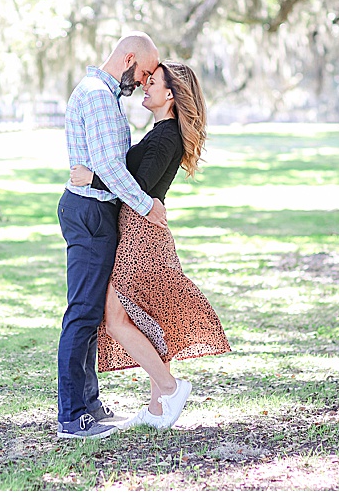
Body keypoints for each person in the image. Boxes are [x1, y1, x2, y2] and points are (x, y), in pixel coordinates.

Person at [69, 61, 231, 430]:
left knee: (114, 317)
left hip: (143, 236)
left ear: (170, 95)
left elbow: (135, 188)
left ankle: (170, 387)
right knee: (148, 318)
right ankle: (158, 407)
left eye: (152, 81)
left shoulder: (165, 137)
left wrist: (92, 177)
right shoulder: (163, 132)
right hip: (142, 232)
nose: (145, 85)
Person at [56, 32, 167, 439]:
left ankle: (89, 404)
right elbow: (109, 166)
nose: (142, 82)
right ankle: (72, 416)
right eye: (144, 73)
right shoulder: (98, 96)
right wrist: (146, 205)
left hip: (95, 210)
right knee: (82, 313)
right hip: (89, 212)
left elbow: (108, 163)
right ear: (130, 58)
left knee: (90, 313)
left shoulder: (103, 95)